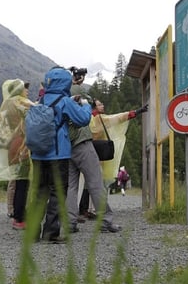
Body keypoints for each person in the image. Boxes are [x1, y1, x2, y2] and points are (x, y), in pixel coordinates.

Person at [28, 67, 92, 243]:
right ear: (65, 83)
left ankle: (32, 232)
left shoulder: (41, 99)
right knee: (57, 193)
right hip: (58, 154)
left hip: (38, 155)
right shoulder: (65, 101)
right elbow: (82, 120)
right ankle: (51, 233)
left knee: (39, 192)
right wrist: (86, 106)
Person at [66, 70, 122, 234]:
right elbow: (90, 102)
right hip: (82, 142)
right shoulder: (75, 90)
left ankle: (70, 223)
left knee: (71, 186)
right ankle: (106, 221)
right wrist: (78, 85)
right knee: (95, 183)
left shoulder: (57, 95)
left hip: (66, 145)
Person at [79, 98, 147, 218]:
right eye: (100, 104)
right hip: (98, 154)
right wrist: (137, 112)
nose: (103, 106)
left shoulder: (84, 118)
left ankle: (83, 209)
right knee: (96, 182)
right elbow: (119, 117)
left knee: (84, 183)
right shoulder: (101, 119)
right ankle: (95, 210)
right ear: (94, 107)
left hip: (83, 151)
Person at [0, 79, 35, 230]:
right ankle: (20, 218)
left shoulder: (6, 104)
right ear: (19, 90)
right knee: (23, 183)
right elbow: (39, 110)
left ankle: (16, 214)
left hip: (12, 146)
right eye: (25, 89)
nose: (27, 91)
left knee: (17, 181)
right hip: (22, 145)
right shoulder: (20, 102)